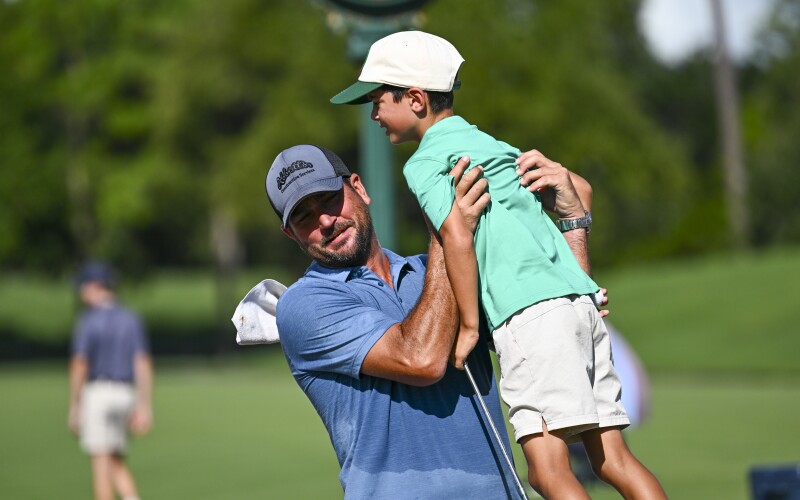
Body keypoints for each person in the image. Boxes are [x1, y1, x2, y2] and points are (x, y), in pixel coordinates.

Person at [330, 31, 666, 499]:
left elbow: (456, 238)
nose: (373, 114)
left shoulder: (425, 161)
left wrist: (468, 325)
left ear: (414, 98)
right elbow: (579, 190)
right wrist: (577, 281)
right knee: (613, 460)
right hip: (578, 306)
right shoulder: (489, 142)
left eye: (378, 100)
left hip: (529, 318)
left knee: (547, 473)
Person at [265, 144, 592, 499]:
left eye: (329, 200)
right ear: (290, 235)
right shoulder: (302, 305)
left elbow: (552, 316)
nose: (325, 221)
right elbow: (420, 359)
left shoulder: (435, 268)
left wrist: (573, 221)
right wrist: (449, 230)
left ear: (359, 188)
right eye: (304, 218)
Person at [68, 261, 154, 500]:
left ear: (96, 286)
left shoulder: (88, 320)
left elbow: (79, 364)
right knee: (114, 458)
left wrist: (74, 406)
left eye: (84, 286)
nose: (81, 292)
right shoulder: (130, 318)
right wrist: (144, 405)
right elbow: (142, 362)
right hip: (125, 394)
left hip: (98, 393)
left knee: (100, 462)